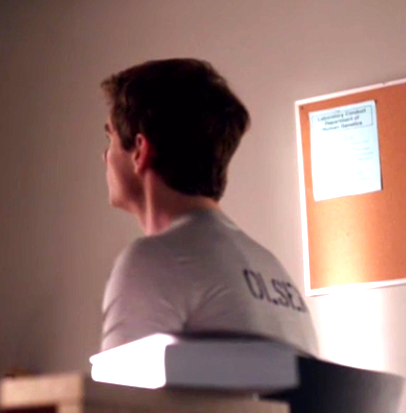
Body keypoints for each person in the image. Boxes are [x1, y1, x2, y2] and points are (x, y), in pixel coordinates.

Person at [99, 58, 318, 356]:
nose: (105, 156)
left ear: (140, 150)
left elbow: (121, 387)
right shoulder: (273, 270)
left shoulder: (151, 261)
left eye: (110, 138)